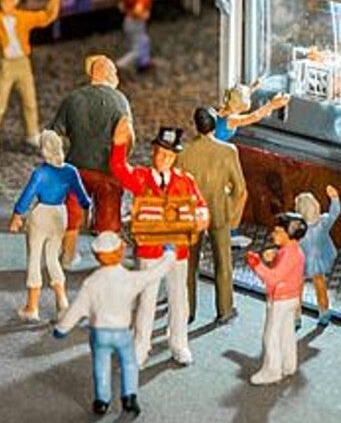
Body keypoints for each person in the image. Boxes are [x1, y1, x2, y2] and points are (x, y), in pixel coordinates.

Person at [110, 118, 209, 367]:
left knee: (179, 298)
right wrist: (119, 144)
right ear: (153, 152)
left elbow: (200, 205)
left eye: (169, 155)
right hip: (150, 249)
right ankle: (140, 346)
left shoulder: (185, 181)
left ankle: (179, 342)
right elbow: (119, 169)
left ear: (175, 157)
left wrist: (201, 216)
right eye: (160, 153)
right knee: (147, 299)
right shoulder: (142, 178)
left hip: (177, 249)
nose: (164, 159)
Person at [53, 233, 176, 417]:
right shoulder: (129, 278)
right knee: (129, 363)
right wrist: (169, 254)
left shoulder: (91, 283)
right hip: (121, 333)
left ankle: (102, 401)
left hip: (99, 334)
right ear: (120, 252)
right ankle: (129, 398)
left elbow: (76, 309)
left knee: (101, 365)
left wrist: (61, 329)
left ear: (97, 256)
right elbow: (154, 273)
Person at [51, 55, 132, 266]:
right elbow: (127, 135)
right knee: (108, 214)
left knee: (73, 211)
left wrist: (56, 162)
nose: (117, 76)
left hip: (76, 168)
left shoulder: (73, 99)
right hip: (107, 170)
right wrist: (123, 160)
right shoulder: (119, 100)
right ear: (107, 74)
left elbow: (53, 134)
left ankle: (68, 254)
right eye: (114, 72)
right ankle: (108, 260)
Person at [9, 130, 91, 322]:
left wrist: (17, 215)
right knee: (53, 257)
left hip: (41, 214)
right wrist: (88, 210)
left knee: (34, 258)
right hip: (60, 214)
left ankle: (32, 306)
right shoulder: (71, 171)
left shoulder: (40, 173)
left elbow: (27, 195)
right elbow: (82, 197)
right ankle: (62, 303)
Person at [177, 107, 247, 325]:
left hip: (192, 213)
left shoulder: (184, 151)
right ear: (215, 125)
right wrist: (231, 212)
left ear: (195, 125)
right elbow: (240, 188)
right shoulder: (228, 151)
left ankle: (187, 310)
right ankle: (224, 310)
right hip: (218, 211)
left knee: (189, 263)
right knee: (223, 263)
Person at [245, 213, 306, 385]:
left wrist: (257, 265)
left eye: (278, 232)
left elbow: (273, 278)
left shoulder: (288, 254)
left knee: (271, 335)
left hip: (280, 299)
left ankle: (272, 371)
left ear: (289, 234)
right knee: (286, 332)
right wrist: (275, 256)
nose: (273, 234)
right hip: (291, 297)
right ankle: (288, 364)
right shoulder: (293, 251)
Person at [0, 0, 62, 148]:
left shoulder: (22, 17)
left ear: (15, 1)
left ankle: (32, 133)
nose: (6, 3)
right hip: (5, 64)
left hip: (23, 63)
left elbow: (47, 16)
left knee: (30, 100)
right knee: (0, 104)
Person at [295, 185, 341, 326]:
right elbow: (334, 213)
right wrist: (334, 198)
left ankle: (296, 316)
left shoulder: (297, 227)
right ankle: (324, 312)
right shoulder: (323, 222)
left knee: (297, 288)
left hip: (301, 261)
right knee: (320, 285)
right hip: (317, 260)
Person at [117, 0, 162, 73]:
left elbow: (122, 5)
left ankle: (144, 63)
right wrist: (144, 15)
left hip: (130, 21)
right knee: (138, 48)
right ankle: (120, 65)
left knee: (144, 41)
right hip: (135, 23)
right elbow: (138, 11)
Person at [211, 81, 290, 142]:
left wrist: (253, 88)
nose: (250, 100)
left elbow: (238, 96)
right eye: (248, 98)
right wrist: (272, 105)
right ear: (241, 106)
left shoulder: (223, 109)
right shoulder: (231, 120)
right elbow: (254, 117)